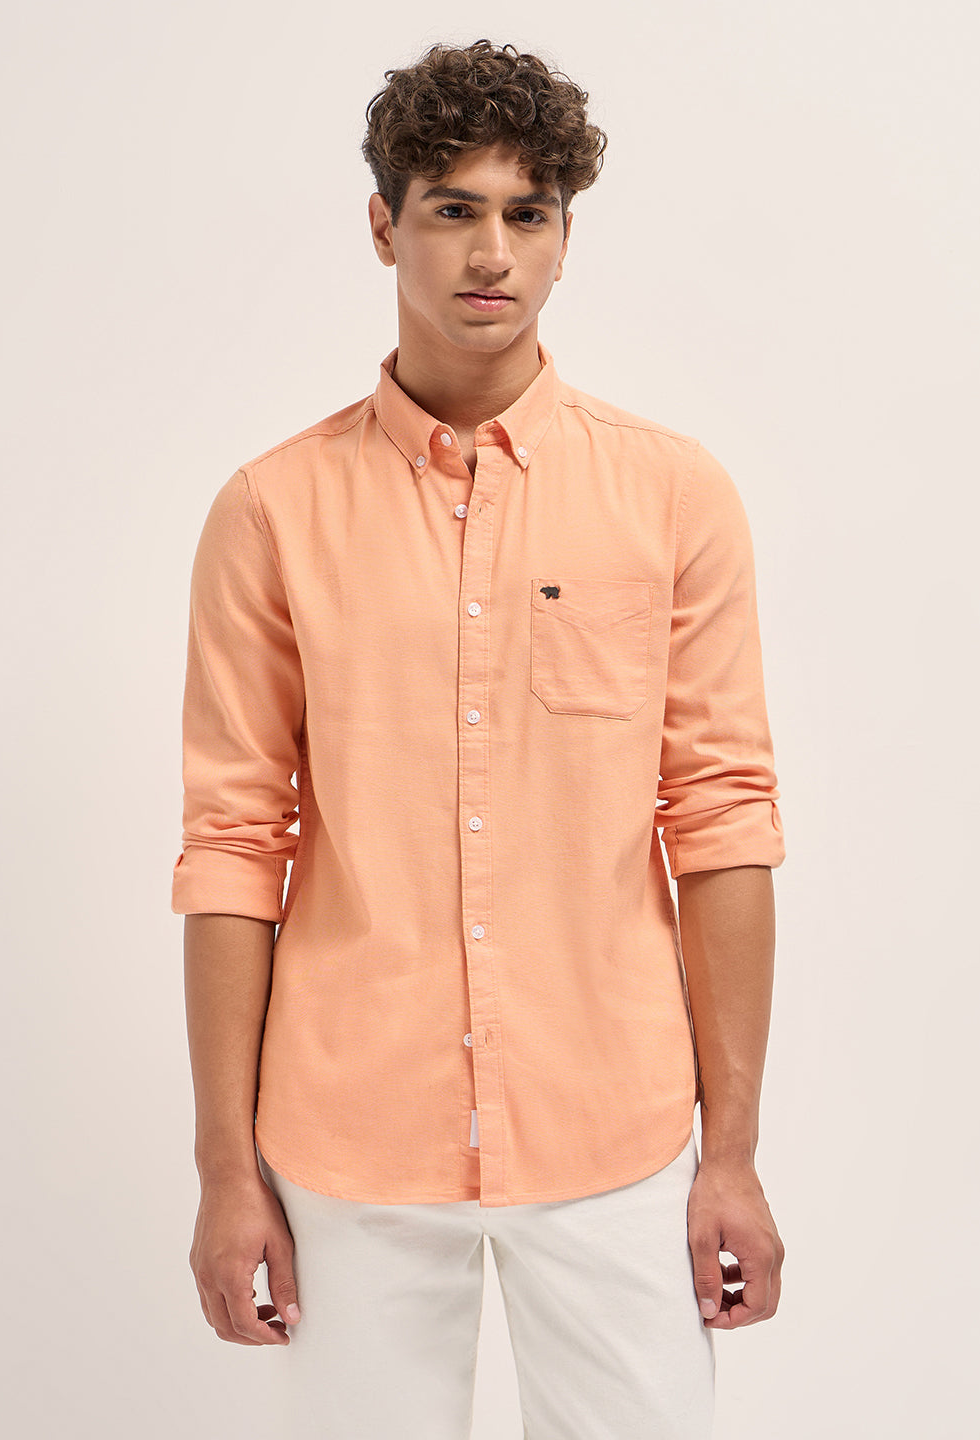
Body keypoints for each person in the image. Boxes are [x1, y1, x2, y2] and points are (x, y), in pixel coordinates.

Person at [173, 36, 786, 1440]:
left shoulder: (674, 497)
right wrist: (222, 1172)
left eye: (528, 212)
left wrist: (734, 1155)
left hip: (616, 1131)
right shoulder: (271, 512)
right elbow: (231, 846)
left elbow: (723, 822)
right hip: (348, 1139)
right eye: (453, 208)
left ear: (567, 237)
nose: (491, 252)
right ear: (384, 224)